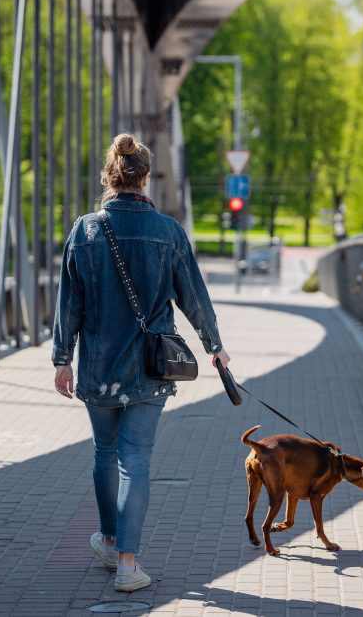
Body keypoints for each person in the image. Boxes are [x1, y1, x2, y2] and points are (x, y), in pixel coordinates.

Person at [52, 133, 231, 592]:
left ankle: (110, 540)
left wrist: (61, 359)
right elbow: (193, 295)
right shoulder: (168, 231)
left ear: (109, 176)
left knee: (104, 453)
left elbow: (68, 302)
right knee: (136, 461)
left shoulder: (85, 230)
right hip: (150, 368)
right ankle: (128, 565)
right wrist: (214, 345)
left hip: (98, 366)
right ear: (145, 177)